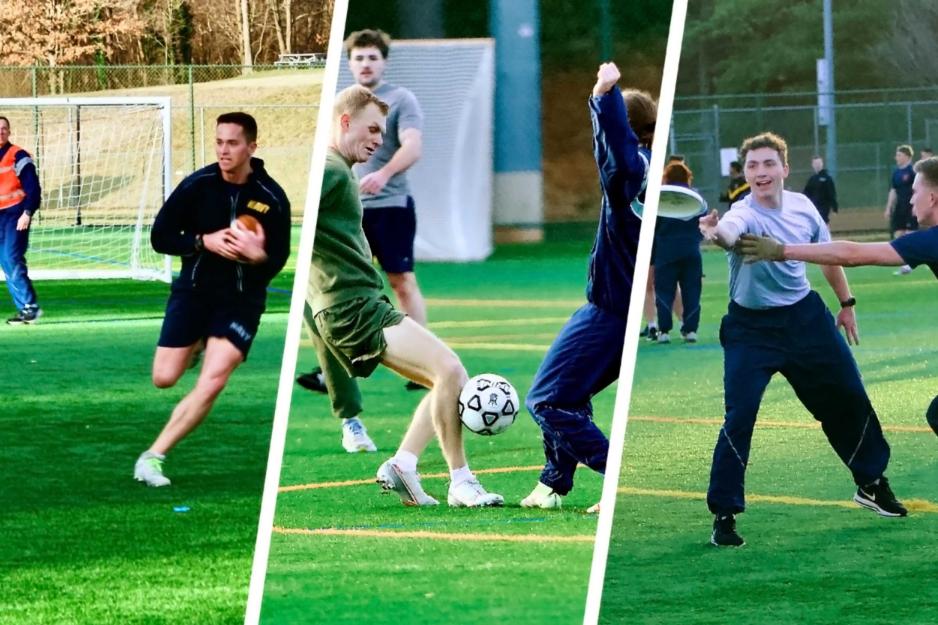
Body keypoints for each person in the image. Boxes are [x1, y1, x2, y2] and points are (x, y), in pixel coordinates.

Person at [698, 131, 906, 547]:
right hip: (750, 330)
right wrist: (714, 231)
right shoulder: (742, 214)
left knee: (849, 395)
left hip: (806, 320)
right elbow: (726, 235)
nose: (760, 172)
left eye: (768, 164)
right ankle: (725, 514)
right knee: (739, 417)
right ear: (746, 172)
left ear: (784, 170)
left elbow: (827, 255)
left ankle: (871, 483)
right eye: (753, 165)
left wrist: (846, 303)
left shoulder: (803, 206)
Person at [310, 84, 502, 507]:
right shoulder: (328, 169)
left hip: (357, 303)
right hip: (352, 307)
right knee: (451, 370)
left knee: (447, 379)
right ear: (345, 122)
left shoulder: (342, 169)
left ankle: (404, 466)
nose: (380, 139)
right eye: (373, 129)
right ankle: (461, 482)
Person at [521, 62, 654, 510]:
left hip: (609, 312)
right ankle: (552, 485)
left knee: (546, 400)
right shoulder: (653, 173)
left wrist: (603, 94)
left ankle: (614, 476)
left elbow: (615, 151)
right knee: (570, 396)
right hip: (622, 312)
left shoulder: (632, 176)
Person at [133, 112, 291, 487]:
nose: (224, 150)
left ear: (252, 147)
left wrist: (258, 257)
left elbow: (280, 257)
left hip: (240, 301)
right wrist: (203, 241)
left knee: (213, 380)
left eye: (232, 143)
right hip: (194, 292)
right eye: (219, 142)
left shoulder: (271, 197)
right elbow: (161, 237)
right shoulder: (198, 185)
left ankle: (153, 457)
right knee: (164, 377)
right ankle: (201, 339)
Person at [739, 155, 938, 437]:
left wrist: (782, 250)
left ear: (931, 198)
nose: (909, 199)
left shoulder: (931, 241)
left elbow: (853, 255)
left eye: (915, 192)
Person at [297, 28, 427, 398]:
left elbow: (414, 146)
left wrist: (382, 175)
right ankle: (337, 368)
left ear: (384, 61)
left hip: (389, 205)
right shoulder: (341, 104)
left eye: (372, 57)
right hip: (342, 210)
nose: (366, 63)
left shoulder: (400, 99)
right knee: (338, 287)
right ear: (349, 62)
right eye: (359, 57)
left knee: (400, 280)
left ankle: (421, 364)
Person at [653, 161, 703, 344]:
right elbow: (703, 223)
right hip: (691, 251)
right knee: (692, 290)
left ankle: (664, 331)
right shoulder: (696, 197)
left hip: (666, 252)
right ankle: (690, 330)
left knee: (664, 291)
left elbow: (653, 228)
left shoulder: (660, 198)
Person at [0, 116, 41, 325]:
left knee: (10, 257)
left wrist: (27, 212)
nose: (1, 132)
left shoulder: (18, 155)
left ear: (9, 132)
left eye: (4, 129)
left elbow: (33, 187)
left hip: (15, 215)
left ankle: (30, 307)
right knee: (5, 262)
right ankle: (25, 308)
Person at [885, 144, 916, 274]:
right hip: (899, 207)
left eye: (899, 155)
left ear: (907, 156)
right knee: (898, 235)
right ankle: (904, 262)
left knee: (910, 234)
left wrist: (917, 206)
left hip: (911, 206)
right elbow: (893, 191)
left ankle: (909, 265)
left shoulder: (913, 171)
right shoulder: (896, 173)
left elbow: (918, 189)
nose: (896, 157)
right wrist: (888, 207)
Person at [803, 155, 838, 224]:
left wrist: (834, 207)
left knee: (823, 223)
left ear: (822, 164)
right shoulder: (812, 179)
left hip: (824, 207)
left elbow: (832, 194)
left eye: (819, 163)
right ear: (812, 165)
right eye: (815, 164)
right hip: (813, 207)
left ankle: (826, 234)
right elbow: (806, 193)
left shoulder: (827, 178)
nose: (817, 165)